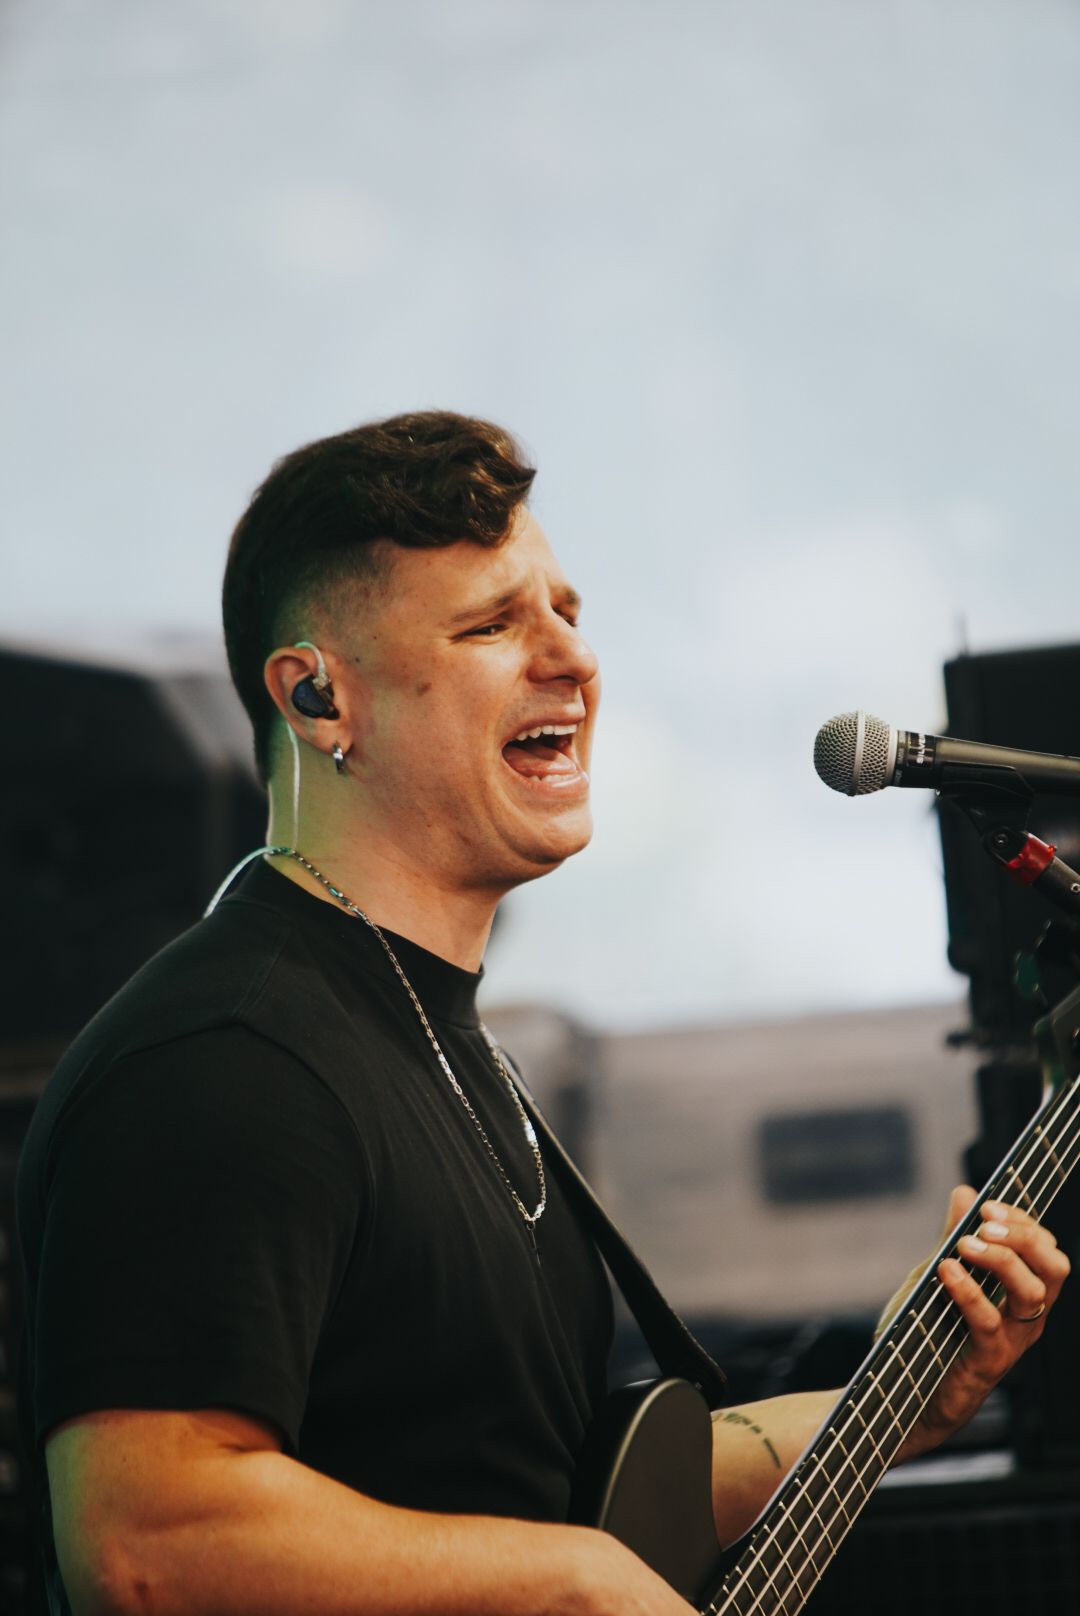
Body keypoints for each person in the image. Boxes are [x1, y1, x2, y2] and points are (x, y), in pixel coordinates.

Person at [17, 411, 1070, 1616]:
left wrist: (895, 1404)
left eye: (566, 611)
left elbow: (561, 1493)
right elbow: (152, 1544)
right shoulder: (228, 1060)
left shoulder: (436, 1039)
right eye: (493, 624)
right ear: (317, 697)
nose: (570, 658)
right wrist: (570, 1582)